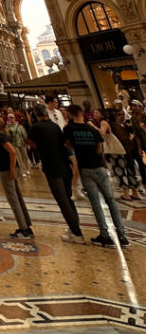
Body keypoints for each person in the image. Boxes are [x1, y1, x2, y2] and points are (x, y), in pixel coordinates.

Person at [65, 104, 129, 248]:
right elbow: (100, 145)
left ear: (70, 114)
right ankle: (122, 235)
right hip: (100, 166)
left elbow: (68, 145)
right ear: (82, 114)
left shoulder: (69, 129)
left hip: (85, 168)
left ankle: (105, 235)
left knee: (96, 202)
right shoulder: (92, 129)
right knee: (111, 200)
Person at [26, 102, 84, 243]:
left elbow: (31, 144)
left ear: (35, 113)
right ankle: (75, 228)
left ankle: (77, 234)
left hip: (52, 168)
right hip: (64, 165)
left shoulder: (36, 128)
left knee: (62, 201)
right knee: (69, 200)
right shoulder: (55, 126)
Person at [0, 115, 33, 238]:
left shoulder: (0, 137)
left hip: (7, 170)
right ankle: (26, 226)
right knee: (17, 197)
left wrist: (12, 169)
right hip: (8, 169)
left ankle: (23, 229)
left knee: (13, 199)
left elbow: (13, 152)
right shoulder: (0, 136)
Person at [6, 112, 32, 177]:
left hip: (22, 143)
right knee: (19, 158)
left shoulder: (19, 126)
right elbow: (6, 136)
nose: (11, 119)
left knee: (25, 156)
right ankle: (23, 171)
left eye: (12, 117)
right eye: (10, 118)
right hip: (14, 144)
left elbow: (24, 135)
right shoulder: (7, 127)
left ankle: (27, 169)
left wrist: (27, 144)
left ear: (15, 118)